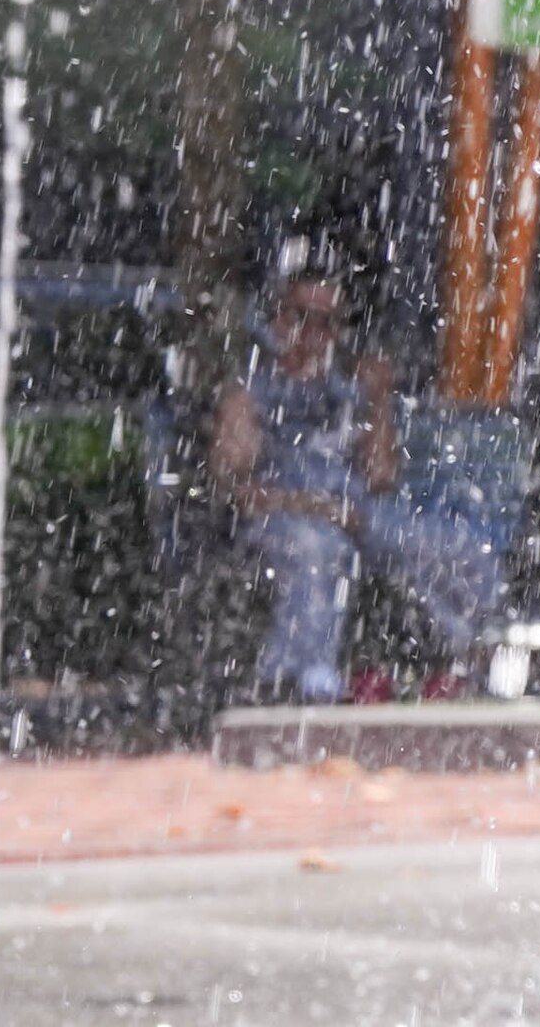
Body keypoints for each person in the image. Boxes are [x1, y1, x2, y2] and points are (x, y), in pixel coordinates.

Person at [214, 242, 505, 704]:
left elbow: (382, 477)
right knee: (319, 548)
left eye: (327, 323)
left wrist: (380, 399)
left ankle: (468, 664)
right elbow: (237, 491)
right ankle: (299, 679)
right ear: (275, 319)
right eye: (300, 317)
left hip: (356, 512)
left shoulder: (345, 388)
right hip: (287, 517)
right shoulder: (251, 388)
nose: (314, 334)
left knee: (453, 547)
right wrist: (320, 509)